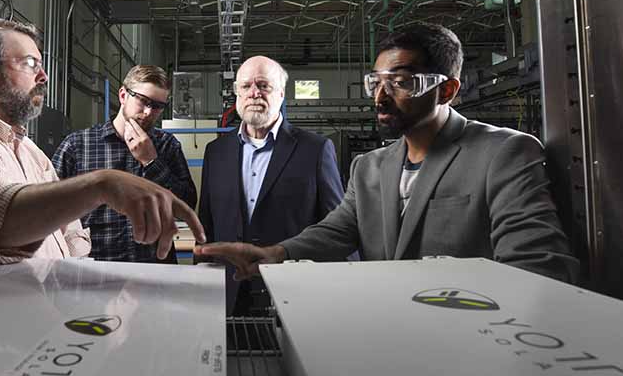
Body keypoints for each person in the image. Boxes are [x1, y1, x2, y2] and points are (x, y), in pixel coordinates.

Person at [195, 23, 578, 284]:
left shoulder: (504, 153)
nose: (381, 96)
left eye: (400, 82)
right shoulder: (370, 167)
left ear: (446, 90)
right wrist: (274, 253)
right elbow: (336, 231)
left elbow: (538, 268)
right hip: (388, 335)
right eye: (376, 82)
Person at [0, 18, 204, 265]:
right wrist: (102, 185)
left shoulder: (29, 150)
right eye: (30, 64)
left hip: (96, 286)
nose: (44, 76)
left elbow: (68, 229)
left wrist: (78, 276)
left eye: (157, 106)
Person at [198, 55, 345, 314]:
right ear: (237, 94)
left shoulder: (315, 149)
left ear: (280, 93)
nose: (254, 93)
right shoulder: (216, 152)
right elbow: (206, 225)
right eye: (246, 86)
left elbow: (337, 228)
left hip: (294, 294)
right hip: (229, 296)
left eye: (263, 85)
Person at [51, 65, 196, 263]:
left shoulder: (167, 146)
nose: (148, 112)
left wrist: (151, 161)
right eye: (143, 101)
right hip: (95, 272)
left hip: (154, 270)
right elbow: (49, 208)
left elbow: (186, 205)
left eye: (157, 106)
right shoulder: (77, 146)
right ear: (122, 95)